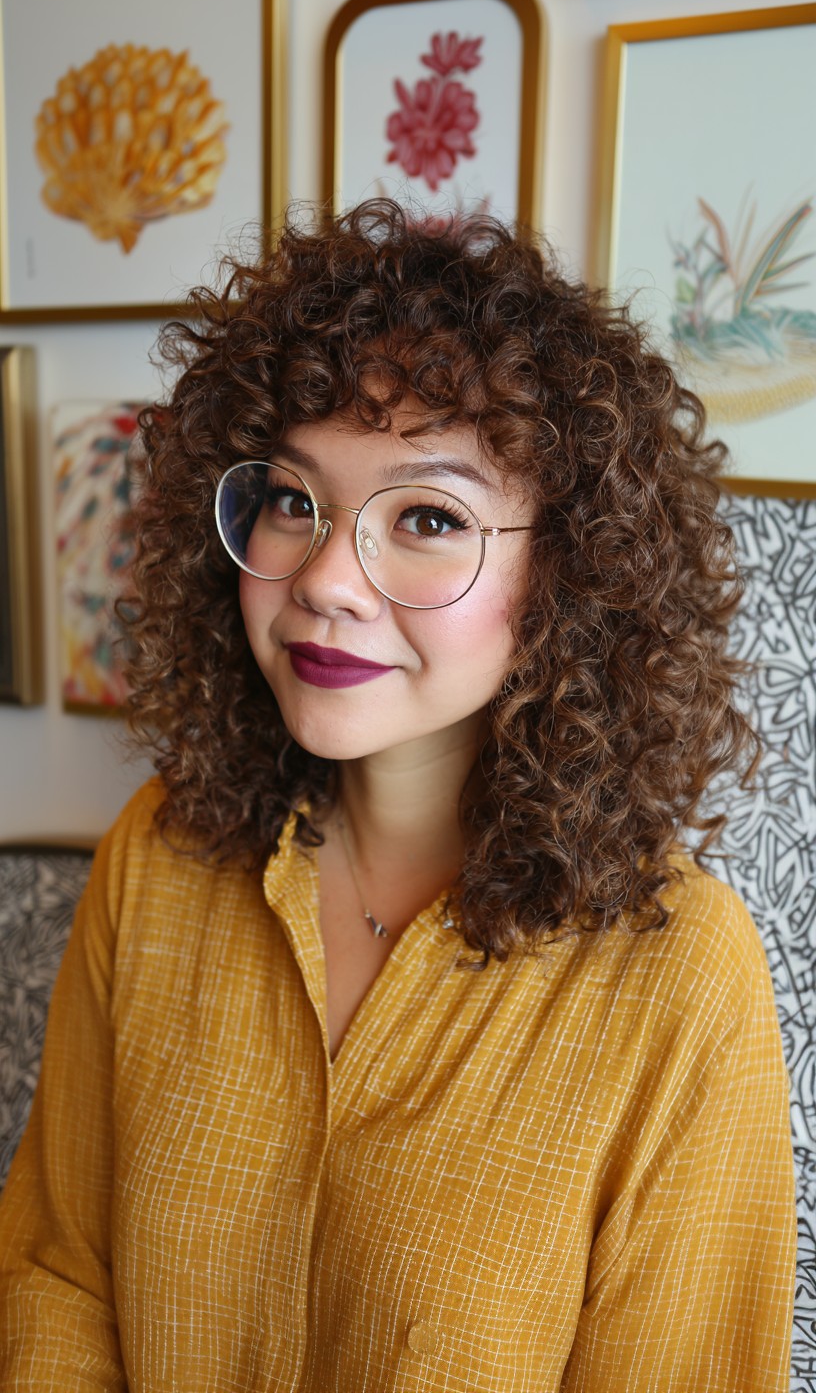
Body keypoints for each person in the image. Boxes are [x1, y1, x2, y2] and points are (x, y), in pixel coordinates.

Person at [0, 200, 796, 1390]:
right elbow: (58, 1273)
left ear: (567, 575)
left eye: (427, 517)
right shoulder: (157, 857)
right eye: (293, 500)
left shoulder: (680, 979)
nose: (326, 578)